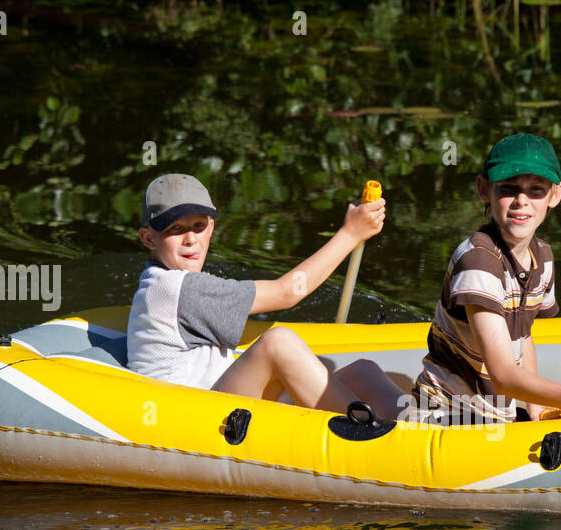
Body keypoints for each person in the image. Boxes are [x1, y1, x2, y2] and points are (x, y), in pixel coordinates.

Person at [128, 173, 406, 417]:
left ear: (211, 228)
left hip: (216, 402)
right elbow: (288, 292)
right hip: (192, 421)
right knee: (277, 343)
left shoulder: (163, 282)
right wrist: (350, 233)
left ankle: (423, 434)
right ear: (148, 239)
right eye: (174, 229)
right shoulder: (176, 288)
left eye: (198, 225)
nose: (190, 238)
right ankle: (370, 436)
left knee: (363, 372)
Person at [410, 134, 561, 425]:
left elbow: (523, 335)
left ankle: (363, 377)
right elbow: (505, 377)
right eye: (509, 189)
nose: (522, 201)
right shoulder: (478, 261)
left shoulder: (542, 256)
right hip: (448, 415)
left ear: (555, 195)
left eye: (536, 190)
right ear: (484, 189)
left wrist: (535, 404)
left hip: (495, 413)